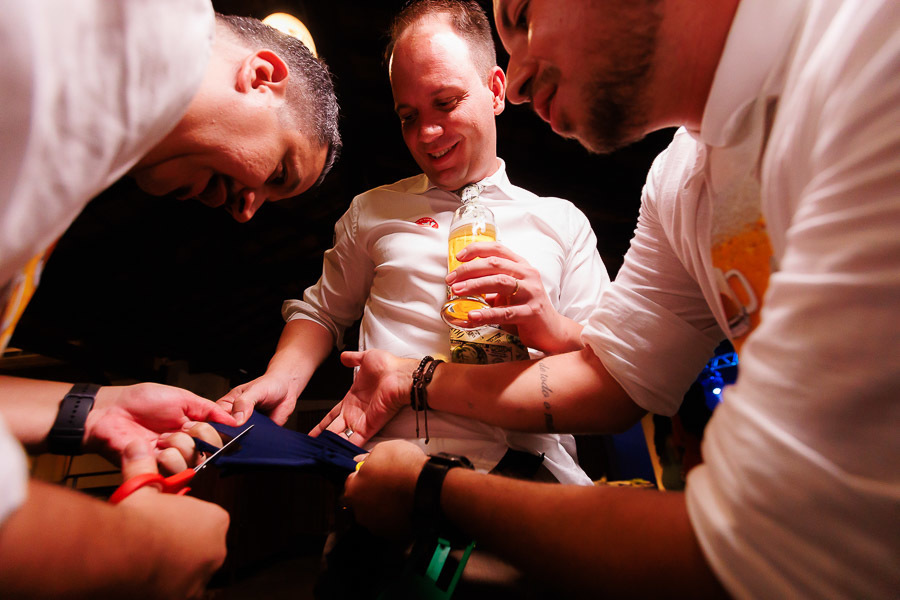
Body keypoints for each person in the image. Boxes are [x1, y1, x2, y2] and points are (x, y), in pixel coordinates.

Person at [319, 0, 900, 597]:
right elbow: (613, 376)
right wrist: (412, 378)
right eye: (409, 114)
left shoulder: (867, 51)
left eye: (522, 14)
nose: (516, 82)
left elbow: (773, 543)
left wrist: (431, 488)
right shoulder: (677, 181)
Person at [0, 1, 341, 596]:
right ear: (261, 77)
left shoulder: (91, 121)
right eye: (279, 171)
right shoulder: (64, 48)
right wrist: (141, 552)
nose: (245, 211)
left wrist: (101, 406)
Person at [218, 0, 608, 485]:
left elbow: (610, 364)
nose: (427, 133)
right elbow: (321, 312)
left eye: (445, 103)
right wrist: (282, 377)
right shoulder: (371, 211)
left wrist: (547, 324)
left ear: (495, 90)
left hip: (534, 481)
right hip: (389, 476)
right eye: (408, 116)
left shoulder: (562, 222)